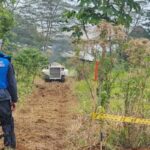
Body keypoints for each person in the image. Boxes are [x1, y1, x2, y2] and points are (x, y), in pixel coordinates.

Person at [0, 51, 18, 150]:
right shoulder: (6, 63)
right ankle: (9, 146)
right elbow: (12, 83)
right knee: (7, 123)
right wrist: (14, 99)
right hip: (3, 98)